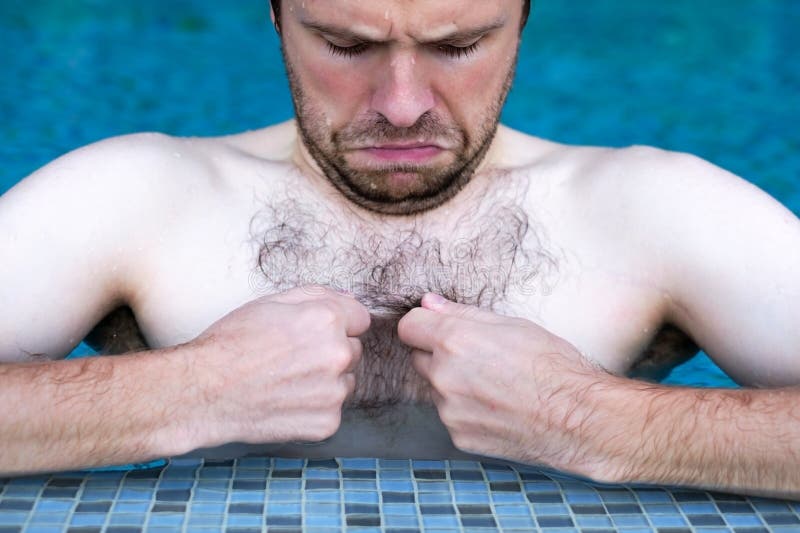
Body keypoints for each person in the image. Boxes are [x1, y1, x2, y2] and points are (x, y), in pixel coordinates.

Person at [1, 0, 798, 499]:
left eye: (458, 46)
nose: (403, 106)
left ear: (523, 23)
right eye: (346, 45)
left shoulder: (652, 209)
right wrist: (187, 390)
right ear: (277, 19)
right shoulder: (137, 195)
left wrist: (591, 419)